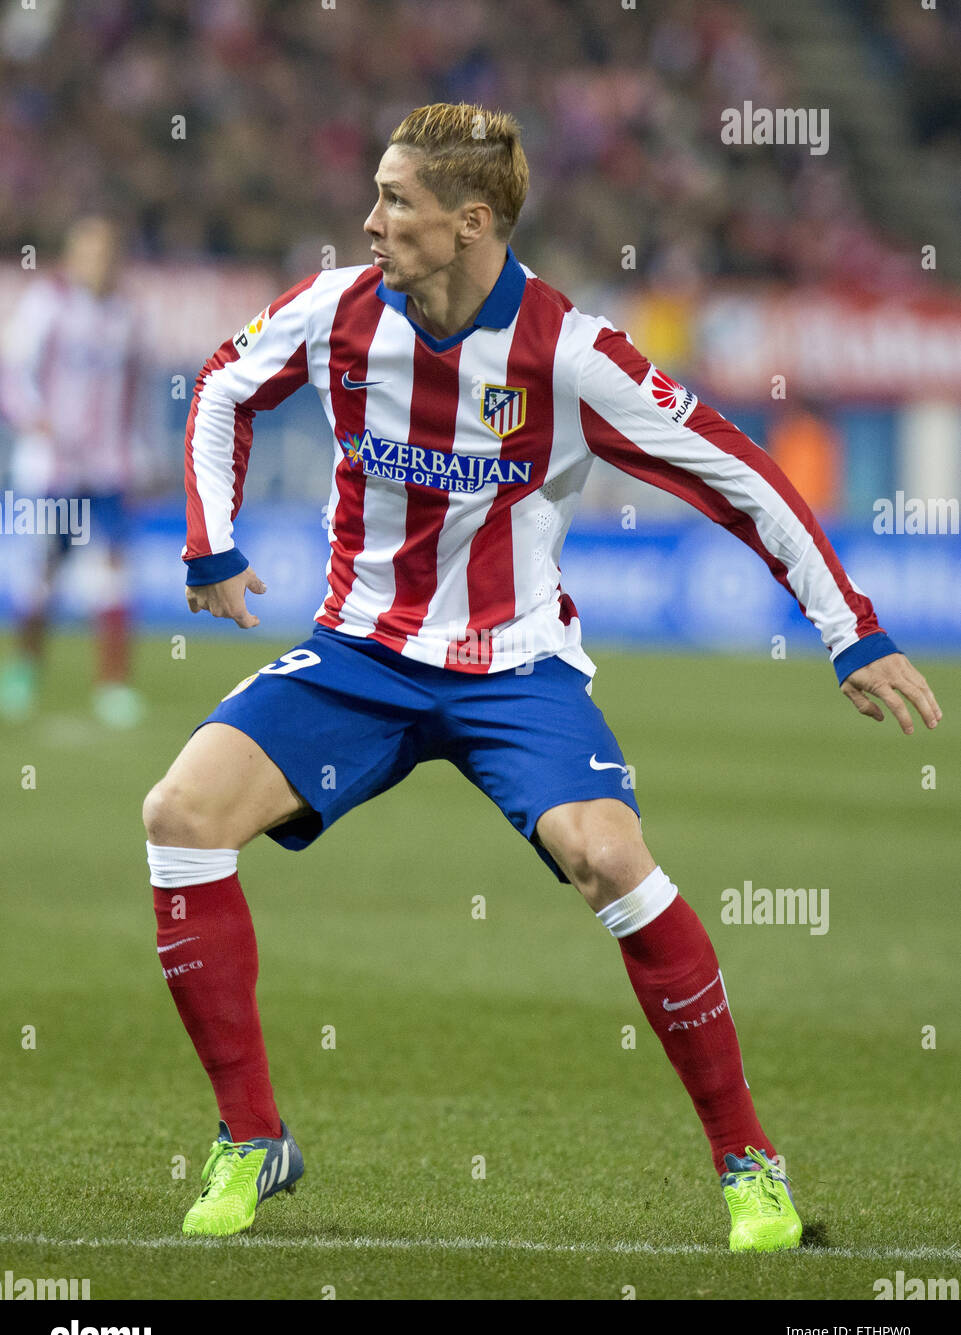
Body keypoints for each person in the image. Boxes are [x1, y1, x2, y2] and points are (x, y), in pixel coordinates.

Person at [143, 103, 941, 1246]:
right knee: (178, 813)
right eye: (374, 193)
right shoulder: (335, 313)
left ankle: (748, 1167)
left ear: (471, 223)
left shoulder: (568, 352)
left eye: (395, 202)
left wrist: (848, 629)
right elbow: (222, 384)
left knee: (610, 857)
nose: (368, 221)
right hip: (358, 654)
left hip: (512, 668)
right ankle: (253, 1140)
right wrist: (210, 544)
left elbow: (733, 470)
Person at [0, 214, 147, 727]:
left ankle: (113, 686)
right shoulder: (48, 305)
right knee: (40, 573)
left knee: (111, 576)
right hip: (51, 468)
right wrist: (35, 422)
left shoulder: (126, 314)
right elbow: (13, 374)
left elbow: (134, 390)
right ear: (72, 255)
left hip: (107, 468)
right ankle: (22, 670)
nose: (99, 263)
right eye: (89, 252)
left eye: (107, 252)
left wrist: (137, 452)